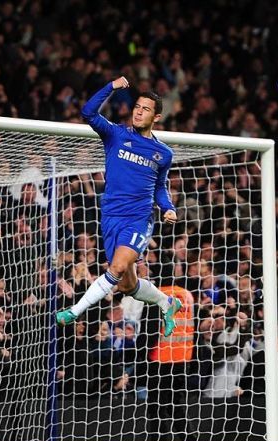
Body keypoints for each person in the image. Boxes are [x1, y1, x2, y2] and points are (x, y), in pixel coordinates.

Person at [56, 75, 180, 337]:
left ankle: (74, 311)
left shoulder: (163, 154)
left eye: (146, 109)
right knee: (127, 285)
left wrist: (168, 207)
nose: (139, 111)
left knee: (116, 268)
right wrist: (111, 87)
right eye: (137, 106)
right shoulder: (115, 134)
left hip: (139, 219)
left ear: (156, 117)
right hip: (111, 216)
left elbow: (159, 187)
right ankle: (166, 303)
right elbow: (88, 112)